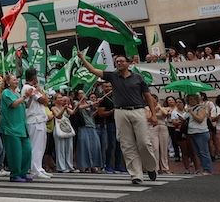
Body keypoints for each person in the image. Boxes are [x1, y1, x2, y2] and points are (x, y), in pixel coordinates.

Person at [79, 52, 159, 184]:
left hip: (138, 110)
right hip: (120, 112)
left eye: (122, 61)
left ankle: (150, 167)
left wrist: (153, 114)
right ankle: (136, 174)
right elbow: (93, 70)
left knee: (144, 142)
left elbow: (148, 96)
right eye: (117, 61)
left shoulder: (138, 78)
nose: (119, 63)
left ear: (128, 63)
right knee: (127, 144)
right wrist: (82, 58)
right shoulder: (113, 76)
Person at [20, 68, 51, 179]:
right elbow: (45, 101)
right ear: (34, 77)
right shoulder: (29, 88)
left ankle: (39, 168)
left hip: (39, 120)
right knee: (36, 146)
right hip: (34, 120)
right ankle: (34, 169)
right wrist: (41, 91)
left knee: (41, 146)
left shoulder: (30, 88)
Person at [72, 89, 101, 173]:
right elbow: (79, 107)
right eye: (80, 93)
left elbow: (92, 114)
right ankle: (84, 166)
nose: (82, 95)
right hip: (83, 127)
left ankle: (93, 165)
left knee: (95, 146)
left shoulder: (89, 103)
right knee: (84, 147)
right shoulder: (76, 102)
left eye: (83, 93)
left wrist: (96, 105)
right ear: (77, 96)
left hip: (92, 126)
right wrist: (91, 104)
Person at [185, 95, 213, 174]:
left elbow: (200, 119)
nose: (192, 100)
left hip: (201, 132)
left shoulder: (201, 108)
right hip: (192, 132)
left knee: (203, 152)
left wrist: (191, 112)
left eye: (194, 99)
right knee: (198, 152)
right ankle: (204, 168)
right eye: (190, 99)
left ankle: (207, 169)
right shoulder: (190, 109)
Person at [147, 93, 172, 174]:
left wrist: (159, 107)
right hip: (153, 127)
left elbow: (166, 114)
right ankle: (156, 168)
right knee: (155, 148)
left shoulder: (162, 108)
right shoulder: (147, 108)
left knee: (164, 148)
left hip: (163, 127)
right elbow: (149, 118)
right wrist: (154, 110)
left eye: (154, 99)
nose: (152, 100)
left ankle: (165, 168)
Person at [51, 93, 76, 173]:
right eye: (59, 98)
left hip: (67, 128)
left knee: (69, 148)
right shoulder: (53, 108)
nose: (61, 99)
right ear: (55, 100)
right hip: (59, 128)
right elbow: (58, 116)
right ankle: (61, 167)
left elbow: (72, 113)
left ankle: (69, 166)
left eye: (61, 97)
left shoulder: (65, 107)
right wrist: (63, 109)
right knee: (60, 149)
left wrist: (76, 106)